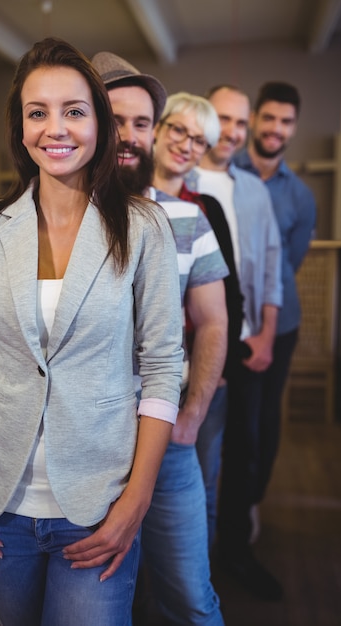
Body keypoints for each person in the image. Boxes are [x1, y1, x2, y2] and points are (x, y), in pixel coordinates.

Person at [0, 37, 185, 626]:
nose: (56, 128)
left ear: (99, 122)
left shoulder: (143, 226)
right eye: (38, 112)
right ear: (20, 126)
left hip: (96, 504)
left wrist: (137, 499)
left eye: (74, 110)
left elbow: (162, 368)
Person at [92, 51, 228, 626]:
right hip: (88, 452)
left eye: (142, 123)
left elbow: (216, 321)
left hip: (169, 447)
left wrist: (193, 412)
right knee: (102, 605)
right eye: (115, 119)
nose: (129, 136)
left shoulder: (186, 219)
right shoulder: (57, 222)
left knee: (190, 598)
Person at [185, 85, 284, 601]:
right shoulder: (184, 178)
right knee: (204, 462)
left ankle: (235, 555)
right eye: (224, 119)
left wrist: (266, 332)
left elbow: (270, 265)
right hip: (205, 345)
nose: (234, 131)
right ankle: (191, 569)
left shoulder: (253, 188)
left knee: (245, 454)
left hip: (249, 344)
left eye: (241, 123)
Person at [152, 91, 245, 552]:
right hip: (141, 384)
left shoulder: (203, 210)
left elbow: (228, 302)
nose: (188, 144)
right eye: (179, 130)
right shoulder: (119, 199)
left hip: (197, 377)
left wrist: (216, 377)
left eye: (200, 140)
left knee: (198, 489)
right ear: (157, 128)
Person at [233, 81, 316, 522]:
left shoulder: (300, 196)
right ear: (254, 121)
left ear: (293, 127)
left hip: (278, 325)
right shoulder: (227, 171)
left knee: (264, 420)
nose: (276, 129)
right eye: (269, 118)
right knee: (233, 421)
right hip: (229, 320)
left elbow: (292, 262)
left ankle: (251, 502)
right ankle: (226, 501)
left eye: (286, 121)